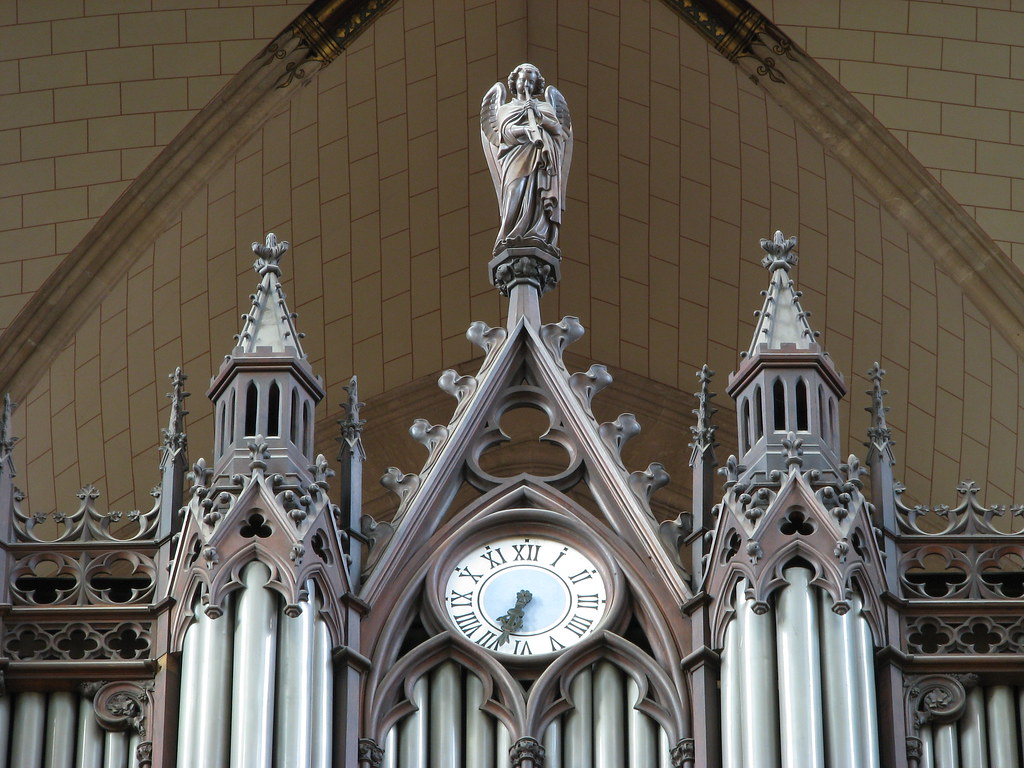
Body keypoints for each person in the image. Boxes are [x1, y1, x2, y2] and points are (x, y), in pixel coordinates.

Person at [481, 64, 572, 255]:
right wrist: (525, 130)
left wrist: (539, 116)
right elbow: (503, 134)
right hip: (515, 157)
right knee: (515, 191)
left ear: (537, 84)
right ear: (516, 82)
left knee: (538, 198)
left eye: (531, 81)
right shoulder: (506, 108)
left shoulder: (544, 106)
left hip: (541, 158)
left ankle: (538, 233)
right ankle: (508, 234)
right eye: (523, 80)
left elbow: (558, 131)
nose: (527, 85)